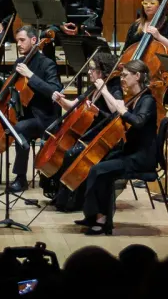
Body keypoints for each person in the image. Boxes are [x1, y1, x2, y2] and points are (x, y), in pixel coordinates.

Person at [0, 26, 61, 193]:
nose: (19, 44)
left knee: (19, 129)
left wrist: (31, 76)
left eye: (22, 40)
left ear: (34, 40)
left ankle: (20, 178)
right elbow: (7, 90)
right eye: (17, 41)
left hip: (42, 117)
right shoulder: (19, 63)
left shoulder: (48, 64)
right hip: (19, 113)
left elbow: (54, 92)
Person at [75, 59, 157, 235]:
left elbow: (139, 122)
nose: (123, 79)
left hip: (141, 158)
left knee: (99, 170)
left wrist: (116, 104)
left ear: (137, 76)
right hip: (130, 152)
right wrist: (100, 113)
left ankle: (99, 218)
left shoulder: (148, 99)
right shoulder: (136, 98)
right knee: (98, 167)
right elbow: (120, 120)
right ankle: (98, 216)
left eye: (126, 75)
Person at [47, 51, 122, 211]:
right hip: (87, 134)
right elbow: (73, 105)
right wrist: (60, 100)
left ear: (102, 71)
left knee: (71, 154)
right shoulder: (92, 88)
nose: (89, 72)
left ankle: (73, 200)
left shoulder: (115, 87)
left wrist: (103, 90)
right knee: (61, 151)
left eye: (92, 69)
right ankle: (59, 194)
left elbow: (116, 111)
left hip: (102, 138)